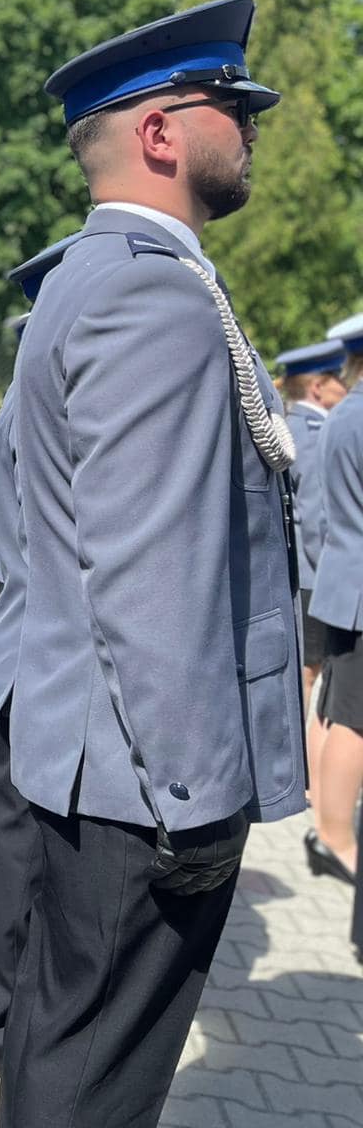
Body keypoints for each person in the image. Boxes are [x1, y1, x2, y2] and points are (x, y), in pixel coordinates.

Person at [2, 0, 303, 1127]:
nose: (251, 126)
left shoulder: (98, 274)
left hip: (101, 758)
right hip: (144, 783)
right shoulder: (151, 290)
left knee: (64, 1048)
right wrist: (195, 796)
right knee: (95, 1080)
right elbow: (149, 574)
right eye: (232, 105)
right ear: (162, 133)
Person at [0, 232, 78, 1078]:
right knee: (15, 850)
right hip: (37, 656)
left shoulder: (20, 400)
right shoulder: (40, 408)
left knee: (13, 844)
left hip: (22, 648)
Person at [271, 338, 347, 874]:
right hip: (316, 577)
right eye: (337, 378)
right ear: (318, 387)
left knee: (302, 672)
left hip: (292, 571)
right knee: (310, 676)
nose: (345, 385)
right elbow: (319, 522)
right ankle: (301, 773)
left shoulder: (288, 425)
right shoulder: (315, 436)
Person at [308, 321, 363, 888]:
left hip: (345, 579)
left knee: (334, 707)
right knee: (354, 720)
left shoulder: (345, 414)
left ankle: (327, 826)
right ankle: (337, 838)